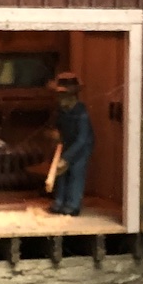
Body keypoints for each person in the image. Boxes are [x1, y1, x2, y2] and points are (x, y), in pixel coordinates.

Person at [47, 72, 94, 216]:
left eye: (63, 96)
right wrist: (55, 133)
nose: (59, 99)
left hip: (81, 147)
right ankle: (59, 201)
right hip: (66, 144)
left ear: (72, 96)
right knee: (61, 173)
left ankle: (73, 204)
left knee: (75, 172)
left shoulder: (81, 113)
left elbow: (82, 139)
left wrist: (66, 158)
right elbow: (57, 126)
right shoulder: (61, 111)